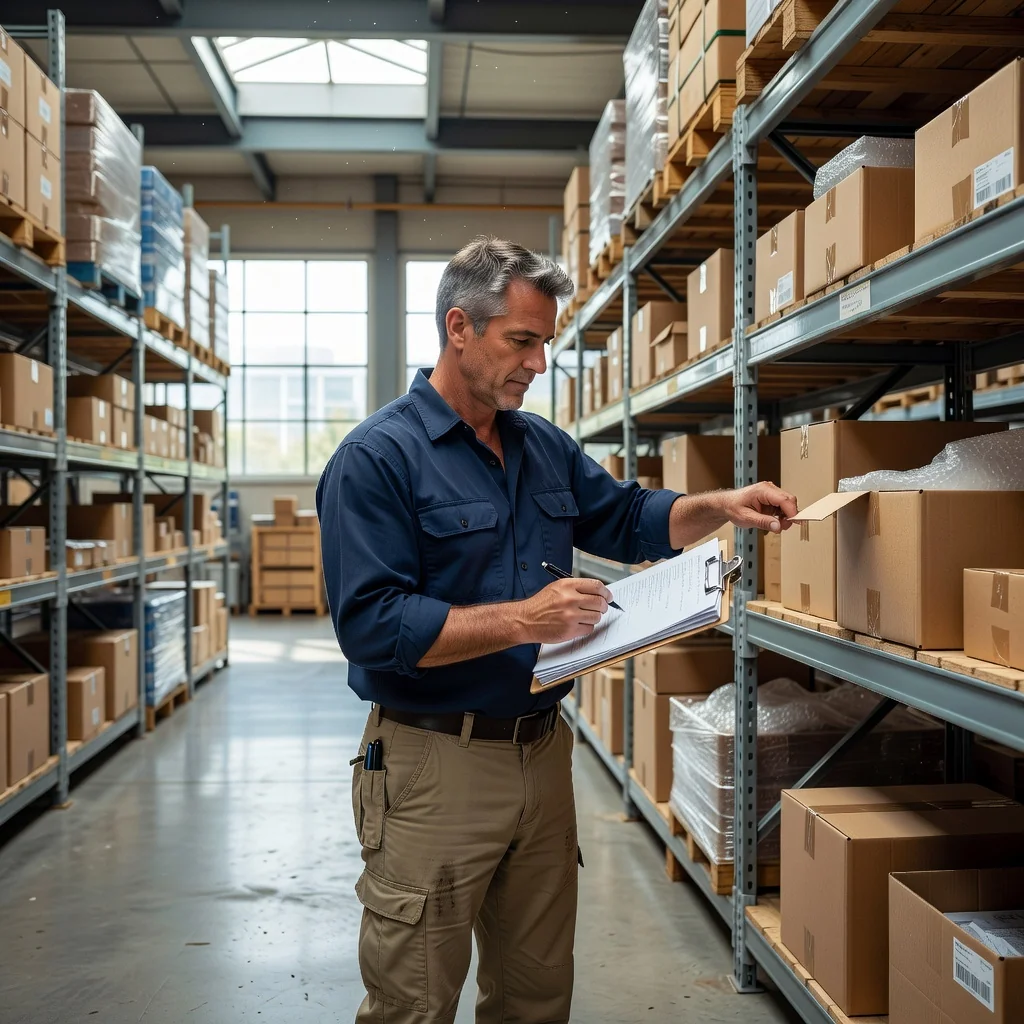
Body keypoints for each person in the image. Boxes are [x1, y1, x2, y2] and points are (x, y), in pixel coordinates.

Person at [316, 237, 796, 1023]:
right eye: (522, 341)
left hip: (541, 753)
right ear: (459, 327)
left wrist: (720, 506)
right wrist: (525, 621)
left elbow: (626, 516)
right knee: (415, 1000)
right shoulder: (378, 458)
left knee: (537, 995)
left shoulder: (540, 445)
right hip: (435, 764)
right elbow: (371, 626)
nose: (538, 364)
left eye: (546, 343)